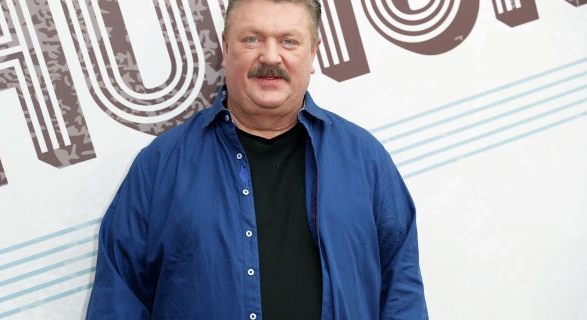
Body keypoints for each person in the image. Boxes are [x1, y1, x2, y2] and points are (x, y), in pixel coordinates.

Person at [86, 0, 428, 319]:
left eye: (289, 42)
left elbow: (402, 291)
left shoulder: (365, 160)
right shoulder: (160, 166)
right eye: (252, 39)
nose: (270, 57)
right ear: (225, 48)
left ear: (314, 53)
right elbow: (118, 299)